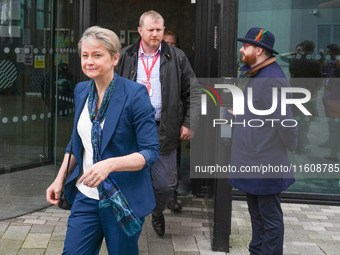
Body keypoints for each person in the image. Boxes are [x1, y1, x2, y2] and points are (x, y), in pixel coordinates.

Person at [46, 26, 159, 254]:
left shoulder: (135, 94)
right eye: (85, 55)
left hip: (122, 198)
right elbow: (77, 142)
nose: (89, 61)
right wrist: (59, 179)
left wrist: (109, 164)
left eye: (97, 55)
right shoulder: (81, 91)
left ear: (115, 58)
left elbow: (150, 152)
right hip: (87, 196)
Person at [116, 10, 200, 237]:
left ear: (163, 30)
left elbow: (194, 91)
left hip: (163, 128)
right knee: (127, 176)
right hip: (130, 128)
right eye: (150, 29)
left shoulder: (177, 57)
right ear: (140, 31)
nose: (155, 34)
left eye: (159, 29)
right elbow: (110, 89)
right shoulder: (125, 56)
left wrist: (190, 122)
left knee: (164, 185)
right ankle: (128, 219)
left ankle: (157, 210)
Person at [228, 27, 298, 255]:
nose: (241, 48)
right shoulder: (254, 72)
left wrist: (292, 146)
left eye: (246, 46)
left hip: (265, 160)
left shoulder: (272, 79)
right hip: (251, 157)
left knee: (269, 217)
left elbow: (285, 121)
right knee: (256, 214)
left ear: (259, 50)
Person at [289, 40, 323, 154]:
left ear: (302, 49)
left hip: (295, 94)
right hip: (309, 95)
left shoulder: (294, 61)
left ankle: (295, 143)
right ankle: (301, 147)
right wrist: (314, 91)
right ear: (312, 50)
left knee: (296, 120)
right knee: (305, 122)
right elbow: (319, 81)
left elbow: (292, 75)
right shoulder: (314, 63)